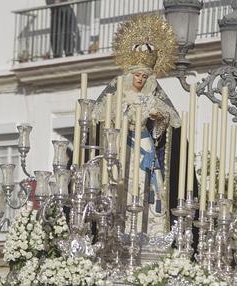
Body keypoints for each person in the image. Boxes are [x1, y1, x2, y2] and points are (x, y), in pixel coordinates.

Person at [92, 15, 181, 236]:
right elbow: (101, 117)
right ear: (129, 75)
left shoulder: (152, 98)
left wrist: (159, 118)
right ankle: (118, 228)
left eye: (144, 75)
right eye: (137, 75)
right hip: (124, 146)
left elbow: (169, 124)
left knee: (149, 184)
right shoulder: (120, 97)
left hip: (145, 143)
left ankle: (150, 230)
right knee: (122, 182)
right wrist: (123, 114)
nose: (140, 79)